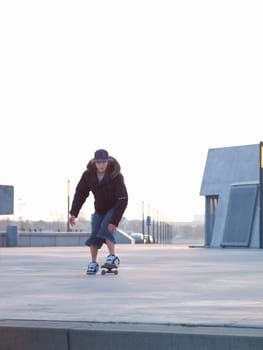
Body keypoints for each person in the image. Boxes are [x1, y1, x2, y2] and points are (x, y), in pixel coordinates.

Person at [69, 149, 128, 274]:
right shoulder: (88, 175)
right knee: (95, 234)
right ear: (94, 162)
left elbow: (123, 199)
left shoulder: (116, 175)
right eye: (98, 162)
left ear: (108, 162)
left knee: (106, 227)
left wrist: (115, 220)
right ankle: (93, 263)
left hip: (114, 207)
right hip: (99, 209)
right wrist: (73, 212)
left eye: (104, 162)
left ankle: (112, 257)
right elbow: (80, 194)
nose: (101, 165)